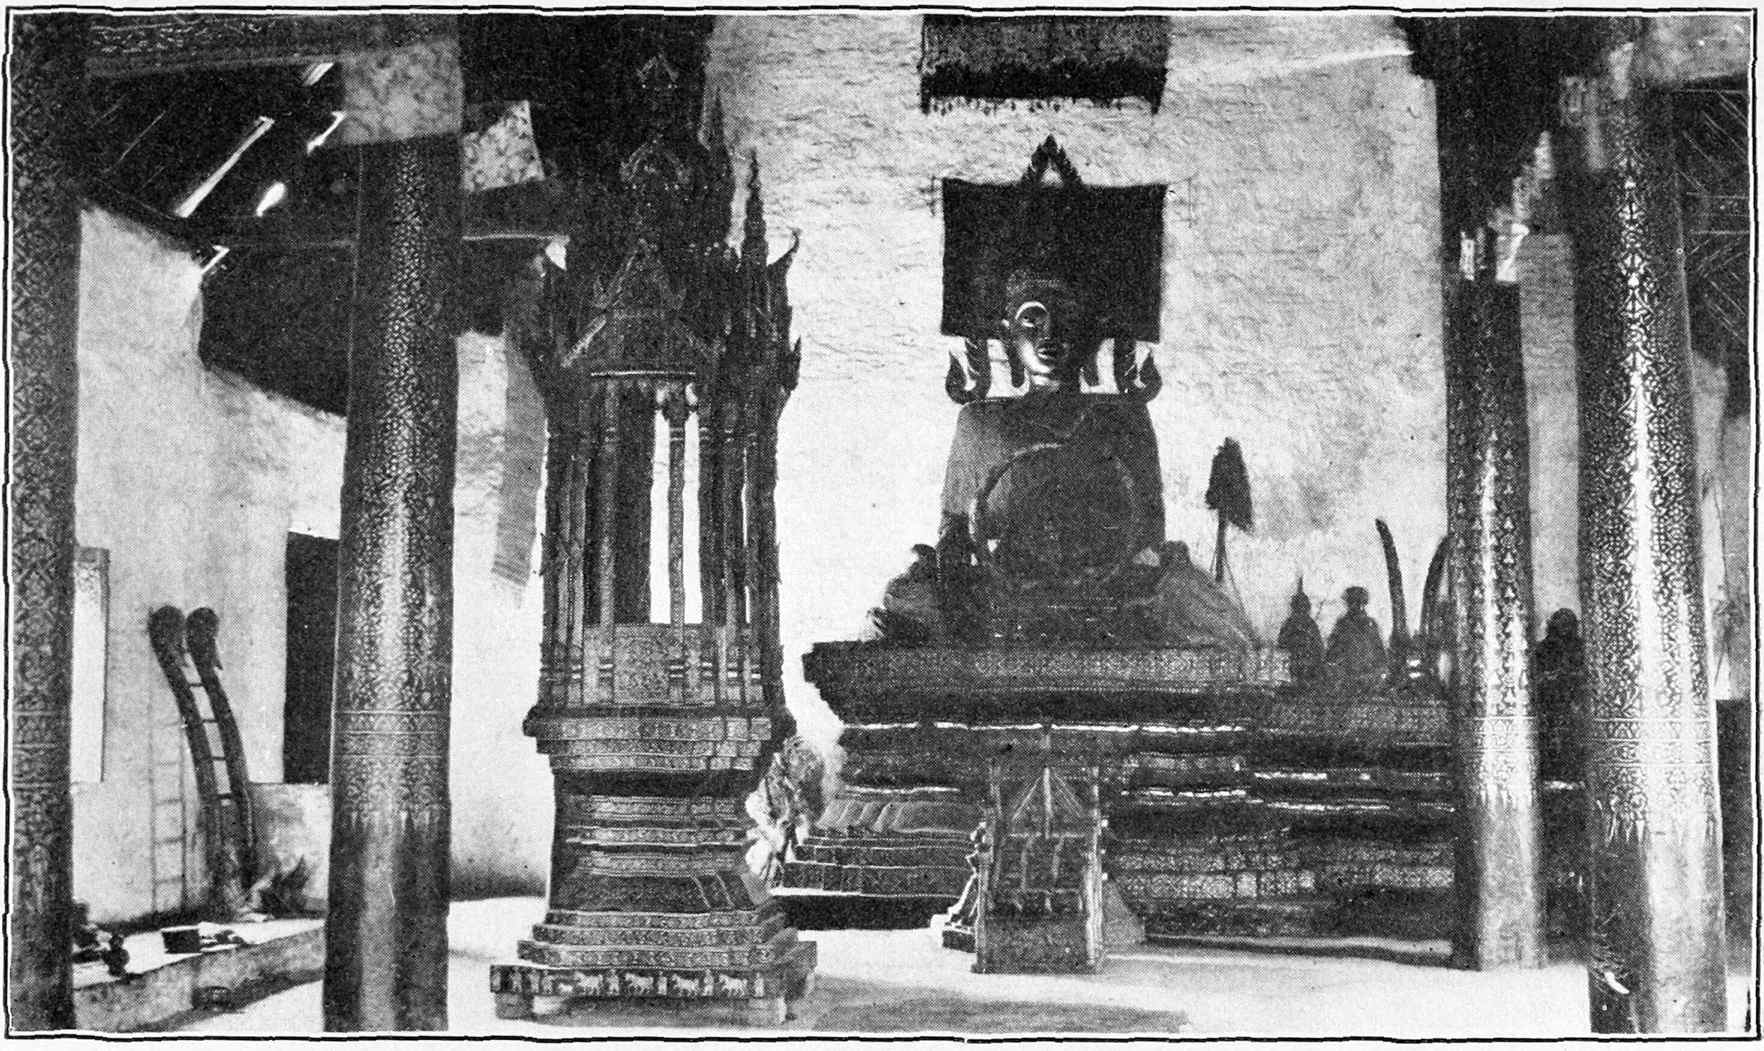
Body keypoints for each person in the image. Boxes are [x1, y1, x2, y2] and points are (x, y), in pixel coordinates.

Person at [1325, 585, 1387, 682]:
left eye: (1358, 602)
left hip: (1369, 678)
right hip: (1347, 678)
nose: (1355, 605)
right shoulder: (1342, 625)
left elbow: (1380, 652)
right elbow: (1332, 654)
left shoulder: (1371, 624)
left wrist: (1379, 672)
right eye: (1351, 602)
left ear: (1364, 603)